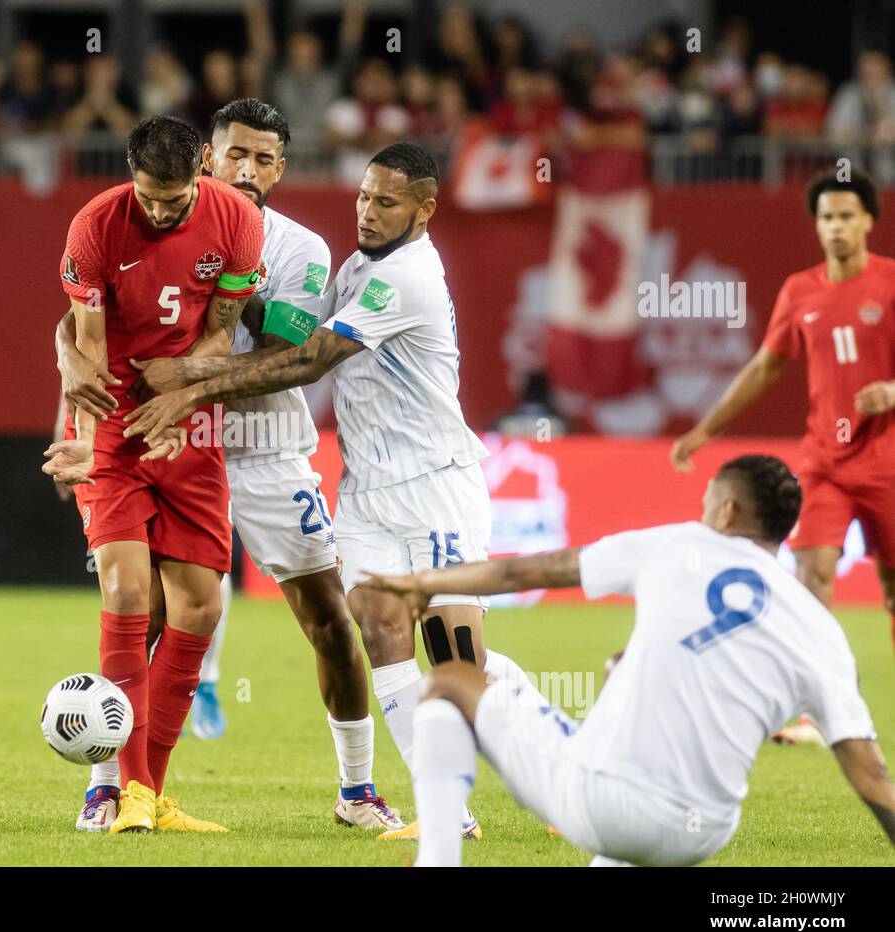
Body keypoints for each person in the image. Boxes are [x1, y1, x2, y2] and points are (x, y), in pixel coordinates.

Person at [123, 142, 513, 838]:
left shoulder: (410, 279)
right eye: (364, 195)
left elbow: (309, 361)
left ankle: (559, 744)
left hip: (435, 485)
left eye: (386, 201)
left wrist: (193, 383)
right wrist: (239, 298)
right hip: (366, 491)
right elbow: (296, 327)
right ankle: (442, 808)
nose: (367, 211)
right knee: (380, 630)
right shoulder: (363, 267)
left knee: (455, 655)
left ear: (425, 209)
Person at [57, 99, 405, 831]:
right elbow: (86, 321)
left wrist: (194, 371)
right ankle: (110, 785)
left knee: (329, 618)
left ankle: (356, 790)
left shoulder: (299, 248)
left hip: (268, 447)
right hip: (168, 438)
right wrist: (76, 374)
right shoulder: (124, 220)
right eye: (235, 154)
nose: (247, 169)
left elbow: (288, 359)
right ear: (207, 158)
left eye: (264, 158)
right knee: (140, 608)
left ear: (282, 168)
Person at [361, 455, 894, 866]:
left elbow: (524, 573)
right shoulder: (819, 626)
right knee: (625, 668)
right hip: (704, 831)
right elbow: (871, 778)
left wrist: (423, 582)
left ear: (727, 510)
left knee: (450, 681)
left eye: (708, 500)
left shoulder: (679, 544)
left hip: (607, 803)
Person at [43, 116, 264, 833]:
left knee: (200, 608)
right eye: (149, 197)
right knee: (126, 588)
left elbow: (222, 333)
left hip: (192, 422)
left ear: (204, 165)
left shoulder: (235, 220)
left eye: (173, 199)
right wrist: (81, 437)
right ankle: (110, 789)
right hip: (116, 419)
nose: (161, 211)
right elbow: (86, 345)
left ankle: (149, 794)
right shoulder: (98, 226)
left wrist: (185, 398)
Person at [672, 170, 895, 644]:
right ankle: (825, 706)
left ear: (868, 221)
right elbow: (764, 368)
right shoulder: (800, 291)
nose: (835, 226)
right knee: (812, 578)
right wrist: (706, 429)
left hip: (888, 461)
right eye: (826, 217)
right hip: (825, 463)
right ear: (816, 224)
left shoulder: (891, 283)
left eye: (846, 216)